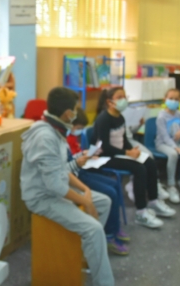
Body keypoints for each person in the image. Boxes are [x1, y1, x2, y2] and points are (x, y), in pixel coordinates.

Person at [21, 87, 115, 286]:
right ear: (67, 114)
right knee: (94, 229)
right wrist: (86, 203)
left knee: (104, 202)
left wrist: (86, 191)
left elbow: (62, 170)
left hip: (54, 189)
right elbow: (55, 186)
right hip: (42, 198)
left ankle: (83, 256)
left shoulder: (54, 131)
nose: (76, 112)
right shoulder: (45, 136)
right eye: (75, 108)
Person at [91, 87, 176, 229]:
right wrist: (127, 153)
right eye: (119, 97)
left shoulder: (120, 117)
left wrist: (131, 150)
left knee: (149, 162)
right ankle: (141, 212)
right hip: (105, 156)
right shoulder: (103, 119)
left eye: (124, 96)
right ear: (109, 102)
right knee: (139, 169)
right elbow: (104, 147)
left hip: (119, 153)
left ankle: (153, 202)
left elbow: (123, 139)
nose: (123, 100)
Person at [66, 108, 130, 256]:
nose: (79, 131)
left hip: (80, 170)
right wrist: (82, 156)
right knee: (110, 192)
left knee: (114, 184)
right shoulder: (64, 137)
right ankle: (109, 236)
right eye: (78, 128)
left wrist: (86, 154)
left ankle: (114, 227)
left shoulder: (72, 137)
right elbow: (68, 163)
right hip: (75, 175)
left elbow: (74, 155)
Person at [124, 117, 169, 202]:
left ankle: (155, 185)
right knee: (139, 161)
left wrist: (139, 124)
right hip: (122, 144)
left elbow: (130, 131)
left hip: (130, 141)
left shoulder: (125, 115)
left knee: (149, 157)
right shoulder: (109, 118)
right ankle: (133, 186)